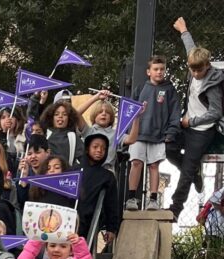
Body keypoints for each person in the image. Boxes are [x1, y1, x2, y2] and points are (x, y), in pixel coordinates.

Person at [167, 18, 224, 222]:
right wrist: (183, 30)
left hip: (202, 130)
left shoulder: (215, 83)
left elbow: (215, 113)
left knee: (187, 171)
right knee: (169, 148)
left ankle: (174, 210)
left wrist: (192, 121)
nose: (196, 74)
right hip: (186, 125)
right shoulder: (194, 63)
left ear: (207, 66)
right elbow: (190, 47)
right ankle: (193, 173)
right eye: (193, 70)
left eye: (199, 70)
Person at [127, 58, 182, 212]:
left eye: (162, 69)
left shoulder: (170, 90)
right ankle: (131, 198)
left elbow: (175, 113)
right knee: (136, 163)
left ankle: (153, 200)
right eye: (156, 69)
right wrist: (130, 131)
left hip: (159, 135)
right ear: (148, 71)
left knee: (154, 166)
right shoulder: (140, 89)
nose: (159, 72)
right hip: (139, 134)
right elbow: (130, 110)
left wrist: (171, 132)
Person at [78, 131, 121, 246]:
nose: (99, 150)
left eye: (103, 148)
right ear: (87, 149)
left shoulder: (107, 176)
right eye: (95, 147)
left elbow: (111, 203)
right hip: (67, 219)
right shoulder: (73, 170)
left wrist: (111, 228)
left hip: (88, 222)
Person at [39, 97, 86, 168]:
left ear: (69, 118)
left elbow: (84, 159)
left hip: (67, 176)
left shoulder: (73, 137)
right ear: (51, 117)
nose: (60, 116)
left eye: (64, 114)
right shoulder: (44, 134)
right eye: (56, 114)